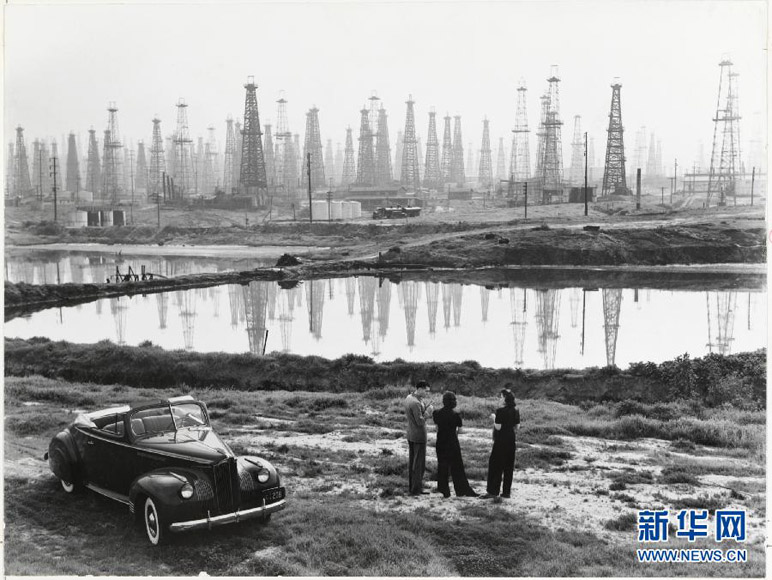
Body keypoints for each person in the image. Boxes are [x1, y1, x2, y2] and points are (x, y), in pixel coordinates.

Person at [432, 391, 478, 498]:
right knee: (457, 467)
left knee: (442, 466)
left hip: (441, 442)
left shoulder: (436, 413)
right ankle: (462, 490)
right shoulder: (456, 415)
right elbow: (460, 431)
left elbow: (436, 428)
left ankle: (444, 490)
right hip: (452, 442)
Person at [481, 388, 520, 499]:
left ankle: (493, 491)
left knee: (495, 465)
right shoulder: (516, 410)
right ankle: (506, 492)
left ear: (505, 398)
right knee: (508, 466)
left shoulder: (500, 411)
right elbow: (517, 427)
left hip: (501, 439)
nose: (500, 398)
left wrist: (494, 418)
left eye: (501, 396)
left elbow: (498, 427)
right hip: (511, 439)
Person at [404, 380, 434, 495]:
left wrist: (424, 407)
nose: (427, 393)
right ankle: (416, 490)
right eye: (426, 391)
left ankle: (413, 487)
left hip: (411, 433)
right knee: (419, 464)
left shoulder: (409, 397)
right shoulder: (416, 402)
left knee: (413, 462)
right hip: (419, 435)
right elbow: (420, 421)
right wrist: (428, 411)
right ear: (420, 389)